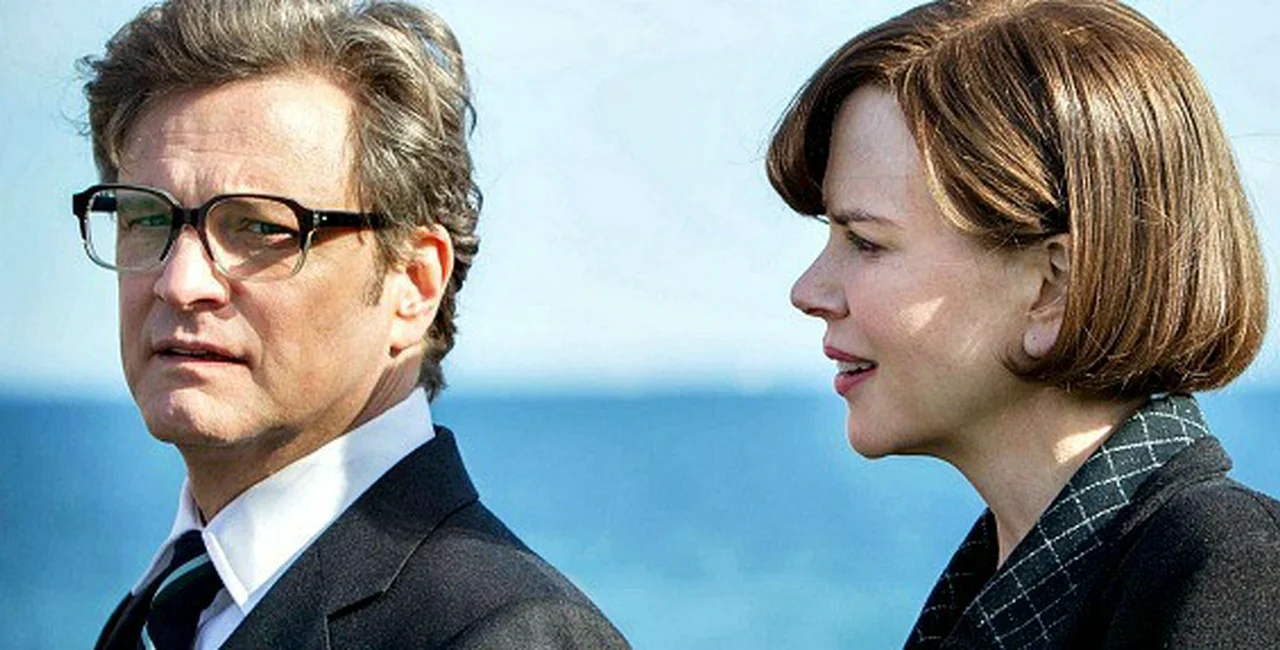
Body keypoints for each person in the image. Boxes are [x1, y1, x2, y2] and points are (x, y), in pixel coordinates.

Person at [76, 1, 628, 648]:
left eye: (260, 227)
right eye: (147, 219)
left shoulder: (509, 634)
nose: (180, 281)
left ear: (414, 284)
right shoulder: (161, 611)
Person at [771, 0, 1279, 647]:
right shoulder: (1011, 589)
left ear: (1052, 287)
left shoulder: (1230, 579)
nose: (808, 291)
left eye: (865, 241)